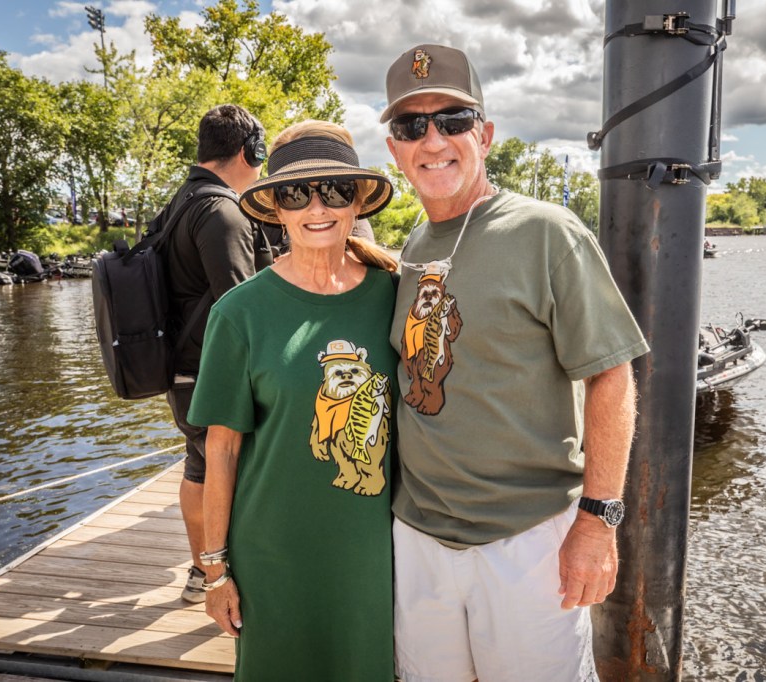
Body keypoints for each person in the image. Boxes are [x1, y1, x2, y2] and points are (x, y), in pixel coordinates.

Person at [381, 44, 651, 681]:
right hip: (418, 539)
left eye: (452, 120)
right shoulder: (413, 247)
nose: (432, 140)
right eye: (411, 126)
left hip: (528, 542)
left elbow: (611, 375)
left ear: (485, 135)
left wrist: (599, 520)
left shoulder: (547, 233)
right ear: (394, 150)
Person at [188, 120, 400, 681]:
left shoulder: (395, 294)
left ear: (357, 201)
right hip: (272, 555)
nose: (316, 208)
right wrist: (215, 571)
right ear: (276, 209)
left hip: (375, 553)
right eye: (296, 194)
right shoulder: (239, 313)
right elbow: (221, 452)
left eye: (334, 190)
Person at [161, 104, 270, 603]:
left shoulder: (181, 200)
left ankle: (201, 572)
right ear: (251, 151)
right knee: (236, 474)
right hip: (214, 373)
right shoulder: (222, 211)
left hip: (183, 369)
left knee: (197, 468)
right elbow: (242, 305)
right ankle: (226, 580)